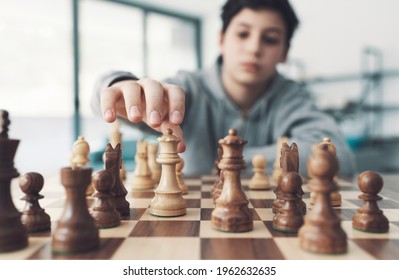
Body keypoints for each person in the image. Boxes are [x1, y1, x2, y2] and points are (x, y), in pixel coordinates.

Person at [91, 0, 356, 179]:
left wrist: (232, 159)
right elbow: (106, 99)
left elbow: (340, 158)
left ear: (285, 52)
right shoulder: (187, 88)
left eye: (270, 39)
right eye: (243, 34)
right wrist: (118, 85)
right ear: (221, 39)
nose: (254, 48)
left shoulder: (292, 98)